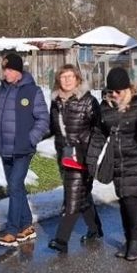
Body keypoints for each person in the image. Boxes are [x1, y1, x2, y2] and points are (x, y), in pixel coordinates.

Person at [88, 67, 137, 260]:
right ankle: (130, 238)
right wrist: (91, 159)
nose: (115, 95)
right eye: (111, 91)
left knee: (131, 199)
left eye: (119, 91)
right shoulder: (105, 108)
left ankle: (135, 241)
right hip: (118, 161)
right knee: (124, 201)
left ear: (128, 89)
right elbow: (99, 134)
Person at [0, 51, 50, 247]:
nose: (5, 73)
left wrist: (30, 139)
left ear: (18, 71)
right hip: (5, 147)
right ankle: (26, 226)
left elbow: (43, 119)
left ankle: (12, 231)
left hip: (23, 149)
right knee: (17, 187)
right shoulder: (1, 90)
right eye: (4, 69)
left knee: (14, 185)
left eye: (9, 69)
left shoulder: (32, 91)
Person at [47, 64, 103, 252]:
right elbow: (51, 127)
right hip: (64, 157)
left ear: (78, 79)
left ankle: (61, 240)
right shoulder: (56, 102)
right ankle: (95, 229)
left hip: (83, 157)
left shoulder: (88, 101)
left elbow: (99, 130)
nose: (67, 80)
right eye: (63, 77)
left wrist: (89, 150)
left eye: (71, 76)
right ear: (58, 80)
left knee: (71, 197)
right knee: (82, 195)